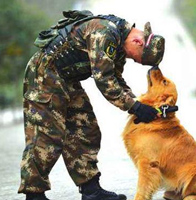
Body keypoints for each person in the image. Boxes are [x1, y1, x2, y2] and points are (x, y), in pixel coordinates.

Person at [17, 10, 165, 200]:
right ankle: (34, 194)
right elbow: (104, 80)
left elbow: (116, 79)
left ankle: (91, 190)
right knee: (46, 136)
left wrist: (139, 104)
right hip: (45, 75)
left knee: (85, 128)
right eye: (136, 58)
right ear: (138, 42)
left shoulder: (119, 42)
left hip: (67, 80)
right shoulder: (105, 33)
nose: (132, 60)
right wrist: (135, 108)